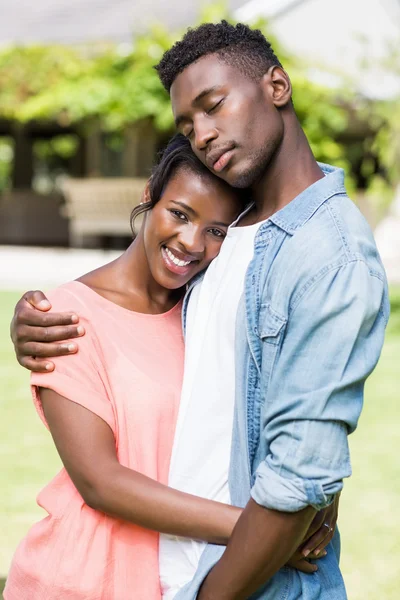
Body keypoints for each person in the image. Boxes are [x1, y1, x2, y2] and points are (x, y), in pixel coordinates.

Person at [10, 21, 389, 600]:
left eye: (215, 106)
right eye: (188, 125)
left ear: (277, 86)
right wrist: (35, 314)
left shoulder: (329, 255)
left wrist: (262, 544)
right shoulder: (239, 232)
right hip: (131, 571)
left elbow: (299, 463)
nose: (205, 134)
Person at [4, 134, 247, 599]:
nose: (191, 242)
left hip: (179, 579)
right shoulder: (64, 317)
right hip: (80, 579)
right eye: (179, 213)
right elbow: (99, 481)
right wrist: (262, 532)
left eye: (217, 231)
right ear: (148, 196)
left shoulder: (206, 313)